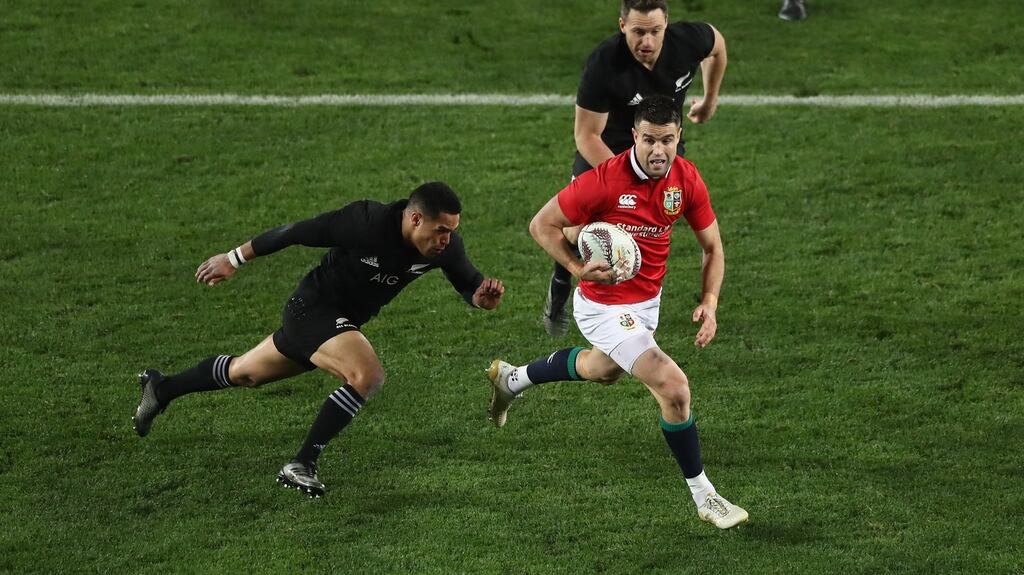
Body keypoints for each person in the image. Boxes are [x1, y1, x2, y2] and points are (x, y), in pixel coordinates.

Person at [132, 182, 505, 498]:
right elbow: (296, 231)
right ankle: (301, 462)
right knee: (367, 375)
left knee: (245, 373)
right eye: (441, 229)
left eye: (452, 230)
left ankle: (161, 389)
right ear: (414, 218)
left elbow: (469, 283)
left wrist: (481, 298)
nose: (446, 239)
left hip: (338, 324)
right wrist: (233, 258)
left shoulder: (444, 249)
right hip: (312, 310)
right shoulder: (366, 222)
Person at [488, 95, 747, 529]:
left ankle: (511, 378)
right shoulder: (604, 181)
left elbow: (712, 247)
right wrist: (576, 269)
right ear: (634, 137)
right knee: (674, 387)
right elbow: (541, 225)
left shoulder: (685, 178)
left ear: (679, 136)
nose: (658, 150)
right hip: (603, 306)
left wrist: (710, 302)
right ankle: (706, 497)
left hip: (646, 305)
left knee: (602, 369)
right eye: (649, 140)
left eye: (667, 140)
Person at [544, 0, 728, 337]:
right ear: (622, 26)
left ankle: (633, 305)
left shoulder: (689, 41)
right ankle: (561, 281)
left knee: (646, 230)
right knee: (576, 225)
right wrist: (625, 181)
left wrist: (711, 98)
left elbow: (718, 46)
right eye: (638, 32)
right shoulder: (604, 64)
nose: (647, 41)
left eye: (655, 31)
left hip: (662, 144)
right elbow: (586, 135)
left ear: (667, 26)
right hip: (607, 150)